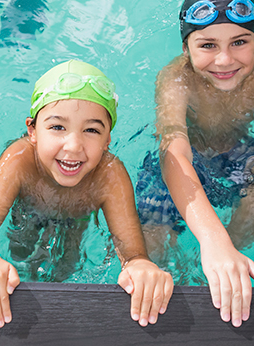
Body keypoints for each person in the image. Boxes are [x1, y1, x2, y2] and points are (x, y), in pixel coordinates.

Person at [0, 60, 173, 328]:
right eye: (57, 127)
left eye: (91, 130)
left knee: (65, 270)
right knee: (19, 251)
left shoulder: (110, 174)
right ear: (32, 131)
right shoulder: (17, 161)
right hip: (29, 206)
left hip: (77, 216)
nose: (73, 146)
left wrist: (141, 267)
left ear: (108, 139)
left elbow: (133, 254)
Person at [136, 0, 254, 328]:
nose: (225, 59)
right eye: (207, 45)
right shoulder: (176, 78)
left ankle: (225, 269)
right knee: (150, 244)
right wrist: (211, 239)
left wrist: (224, 244)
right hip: (184, 159)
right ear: (186, 48)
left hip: (239, 155)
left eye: (240, 42)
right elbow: (174, 151)